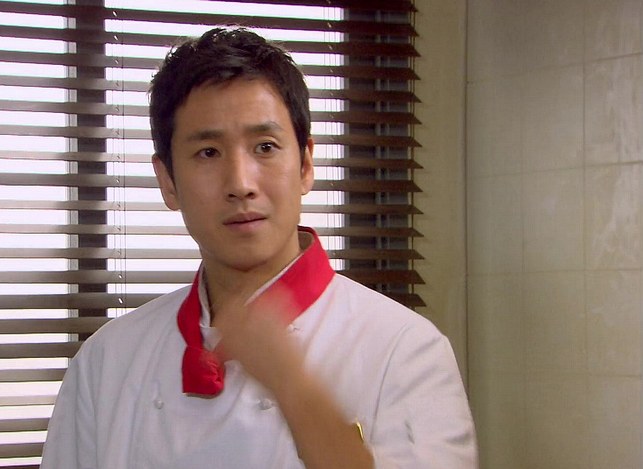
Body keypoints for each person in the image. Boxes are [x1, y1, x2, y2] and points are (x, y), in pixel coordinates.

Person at [40, 27, 477, 468]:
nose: (241, 183)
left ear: (305, 164)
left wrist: (293, 388)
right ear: (168, 181)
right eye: (208, 152)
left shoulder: (403, 350)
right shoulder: (108, 361)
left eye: (265, 147)